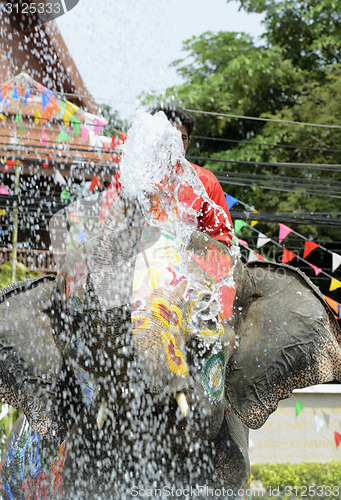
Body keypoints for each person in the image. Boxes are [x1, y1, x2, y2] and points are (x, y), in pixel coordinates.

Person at [99, 106, 233, 246]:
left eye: (182, 138)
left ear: (189, 141)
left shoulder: (205, 181)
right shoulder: (129, 178)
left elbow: (223, 236)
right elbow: (106, 230)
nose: (176, 144)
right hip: (138, 260)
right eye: (170, 137)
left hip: (187, 263)